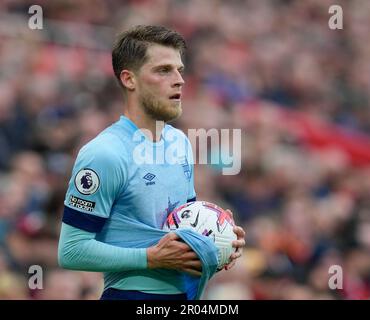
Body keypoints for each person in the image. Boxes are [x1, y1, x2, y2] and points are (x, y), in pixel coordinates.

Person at [58, 25, 245, 300]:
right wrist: (150, 258)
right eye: (163, 70)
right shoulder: (104, 153)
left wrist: (218, 239)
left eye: (180, 69)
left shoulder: (179, 142)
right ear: (129, 79)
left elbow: (182, 225)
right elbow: (71, 251)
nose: (179, 79)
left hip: (185, 295)